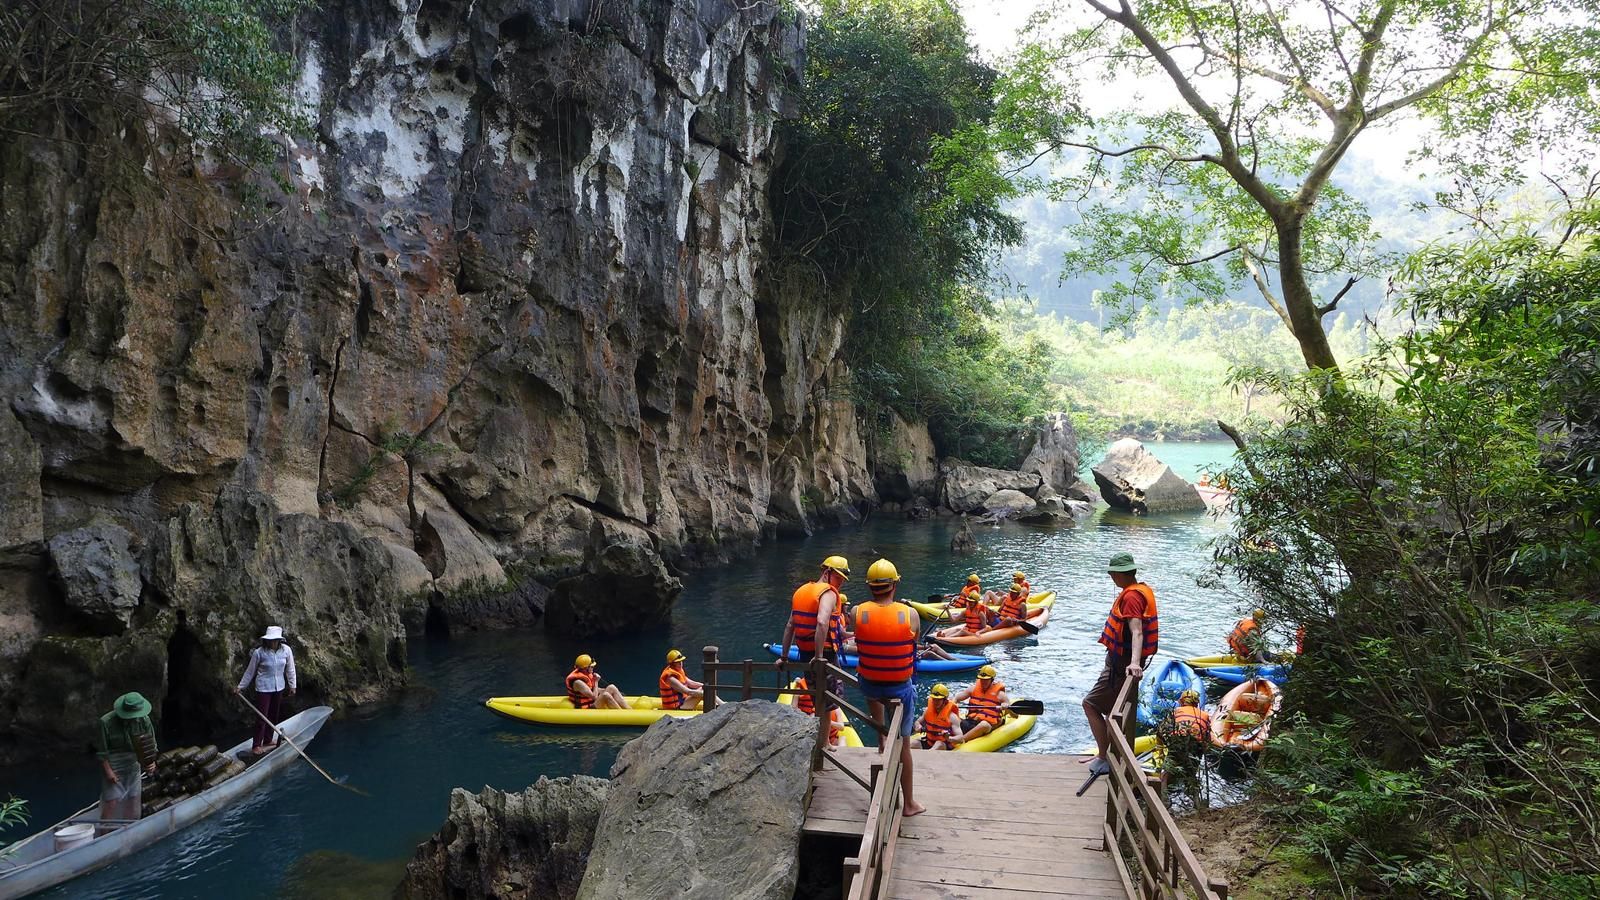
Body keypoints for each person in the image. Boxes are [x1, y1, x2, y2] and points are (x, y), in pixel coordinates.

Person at [852, 558, 926, 816]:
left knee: (871, 683)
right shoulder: (910, 614)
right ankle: (909, 804)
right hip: (898, 687)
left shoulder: (856, 612)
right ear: (894, 585)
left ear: (870, 587)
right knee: (905, 744)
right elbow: (913, 638)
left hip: (870, 684)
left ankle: (881, 737)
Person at [1082, 551, 1160, 774]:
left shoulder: (1132, 597)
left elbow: (1137, 631)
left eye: (1112, 573)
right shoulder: (1138, 590)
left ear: (1119, 574)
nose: (1111, 578)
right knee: (1113, 710)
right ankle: (1109, 754)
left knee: (1091, 704)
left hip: (1121, 665)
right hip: (1119, 662)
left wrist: (1134, 663)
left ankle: (1104, 757)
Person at [96, 692, 157, 834]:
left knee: (134, 799)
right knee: (111, 800)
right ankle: (104, 836)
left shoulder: (144, 720)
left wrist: (151, 762)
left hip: (133, 762)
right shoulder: (106, 722)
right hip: (114, 763)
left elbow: (151, 745)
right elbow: (102, 753)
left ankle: (128, 832)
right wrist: (109, 771)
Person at [233, 625, 296, 756]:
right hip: (263, 688)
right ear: (266, 640)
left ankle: (268, 740)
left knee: (274, 714)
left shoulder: (286, 651)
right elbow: (250, 672)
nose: (272, 642)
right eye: (270, 640)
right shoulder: (259, 652)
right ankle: (256, 744)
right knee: (262, 716)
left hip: (279, 687)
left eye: (275, 640)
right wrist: (240, 686)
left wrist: (292, 685)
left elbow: (290, 669)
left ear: (279, 640)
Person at [781, 556, 850, 670]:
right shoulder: (828, 593)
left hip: (804, 652)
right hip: (824, 653)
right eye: (838, 578)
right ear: (827, 573)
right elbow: (822, 622)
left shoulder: (800, 591)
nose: (840, 584)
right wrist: (819, 656)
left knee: (812, 686)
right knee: (833, 686)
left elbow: (790, 626)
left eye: (842, 580)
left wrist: (784, 657)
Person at [953, 665, 1010, 740]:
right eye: (982, 679)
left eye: (986, 680)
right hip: (970, 722)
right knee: (952, 717)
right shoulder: (973, 689)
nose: (983, 682)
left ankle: (962, 740)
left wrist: (1004, 706)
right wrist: (953, 704)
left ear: (992, 680)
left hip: (988, 725)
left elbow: (1008, 707)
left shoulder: (1000, 694)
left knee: (984, 725)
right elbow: (957, 698)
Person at [792, 675, 848, 748]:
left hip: (832, 736)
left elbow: (841, 727)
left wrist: (828, 722)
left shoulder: (836, 709)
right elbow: (793, 708)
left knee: (842, 738)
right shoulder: (815, 709)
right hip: (808, 722)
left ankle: (838, 753)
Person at [916, 684, 965, 750]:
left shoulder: (952, 717)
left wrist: (949, 738)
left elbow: (960, 738)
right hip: (928, 742)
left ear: (944, 700)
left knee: (939, 743)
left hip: (944, 745)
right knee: (914, 743)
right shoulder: (927, 711)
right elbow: (918, 721)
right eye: (934, 699)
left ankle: (927, 756)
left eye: (938, 700)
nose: (935, 702)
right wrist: (918, 726)